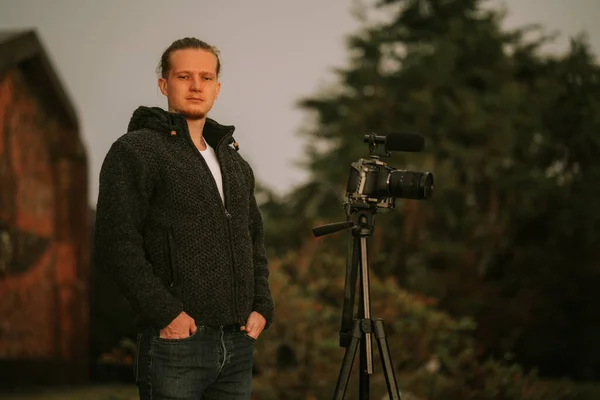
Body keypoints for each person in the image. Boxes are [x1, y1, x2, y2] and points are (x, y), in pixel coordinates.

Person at [93, 37, 274, 400]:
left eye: (206, 78)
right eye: (184, 76)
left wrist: (262, 305)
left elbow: (253, 240)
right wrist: (166, 313)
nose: (196, 86)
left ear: (217, 88)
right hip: (175, 344)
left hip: (237, 345)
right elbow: (117, 242)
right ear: (164, 84)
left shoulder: (236, 164)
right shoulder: (136, 151)